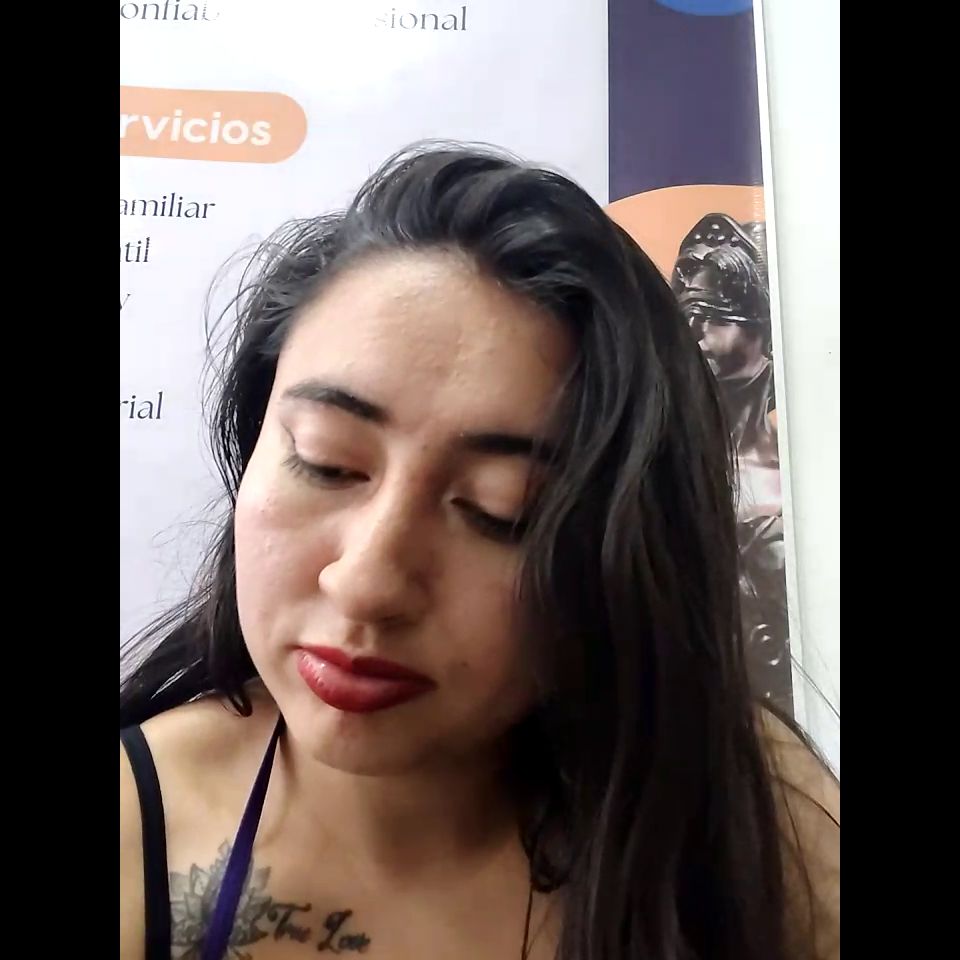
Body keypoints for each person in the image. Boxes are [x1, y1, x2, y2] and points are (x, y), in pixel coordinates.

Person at [120, 142, 839, 960]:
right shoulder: (139, 826)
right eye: (326, 461)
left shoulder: (751, 825)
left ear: (620, 554)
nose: (367, 582)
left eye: (502, 511)